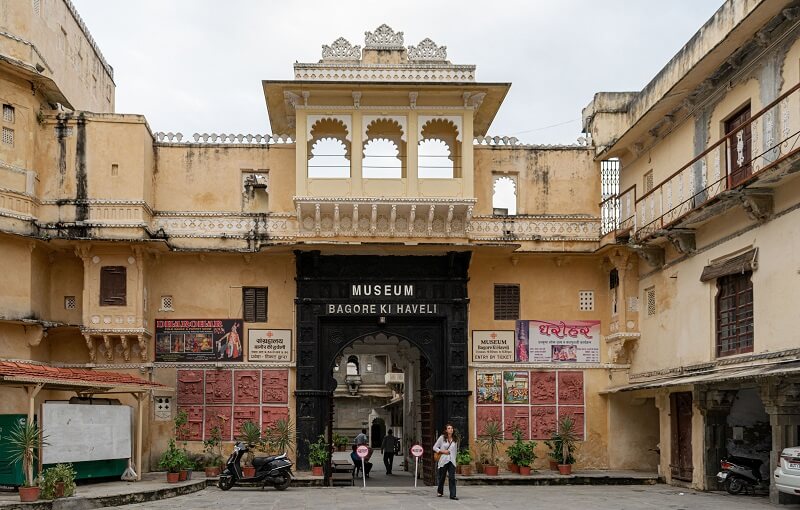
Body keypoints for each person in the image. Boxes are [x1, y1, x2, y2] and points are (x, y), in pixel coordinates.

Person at [433, 423, 458, 500]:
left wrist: (455, 459)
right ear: (446, 430)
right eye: (449, 428)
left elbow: (455, 451)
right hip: (443, 460)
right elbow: (434, 447)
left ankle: (453, 495)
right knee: (442, 477)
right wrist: (442, 451)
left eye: (452, 428)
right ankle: (440, 491)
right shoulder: (442, 438)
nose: (451, 429)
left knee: (452, 478)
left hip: (451, 460)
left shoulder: (455, 439)